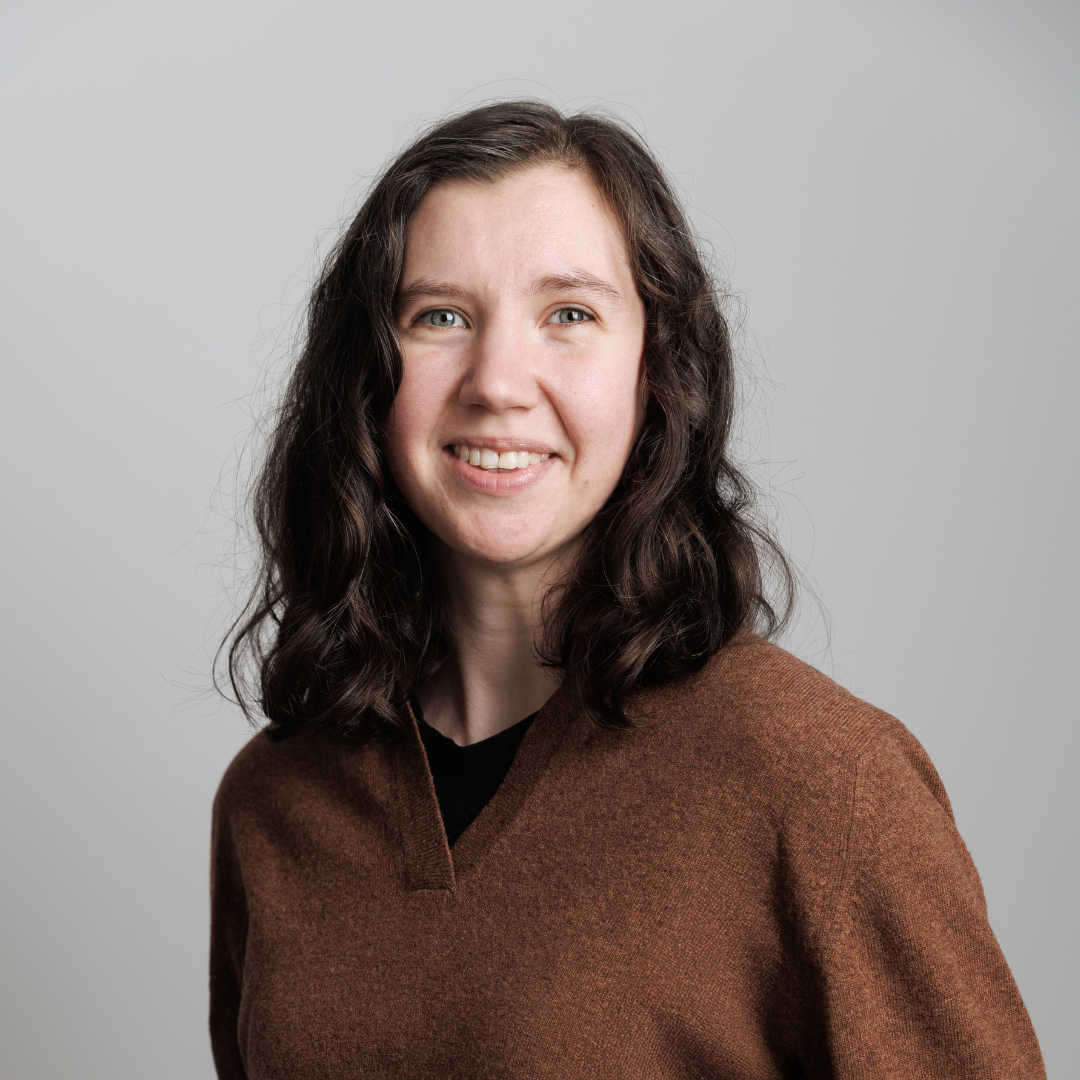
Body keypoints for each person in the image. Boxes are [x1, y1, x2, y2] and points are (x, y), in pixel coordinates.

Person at [210, 101, 1044, 1079]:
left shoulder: (818, 778)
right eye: (439, 315)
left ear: (657, 371)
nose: (499, 381)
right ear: (365, 378)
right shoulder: (274, 801)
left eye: (570, 314)